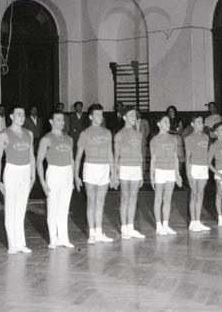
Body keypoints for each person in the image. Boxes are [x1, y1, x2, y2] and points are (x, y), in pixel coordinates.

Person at [74, 103, 116, 244]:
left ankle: (99, 232)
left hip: (104, 168)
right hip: (90, 168)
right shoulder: (84, 134)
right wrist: (76, 176)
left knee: (101, 202)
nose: (100, 117)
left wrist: (113, 173)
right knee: (91, 201)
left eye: (101, 114)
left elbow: (110, 154)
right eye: (97, 114)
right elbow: (78, 157)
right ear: (91, 117)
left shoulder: (107, 133)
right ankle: (91, 233)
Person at [0, 106, 35, 254]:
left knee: (21, 208)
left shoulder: (29, 133)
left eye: (23, 114)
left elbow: (31, 156)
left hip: (25, 171)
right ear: (11, 116)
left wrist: (33, 176)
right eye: (18, 114)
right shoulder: (4, 135)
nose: (22, 117)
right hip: (12, 171)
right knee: (11, 208)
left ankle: (21, 243)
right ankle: (12, 244)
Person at [36, 110, 74, 249]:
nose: (61, 122)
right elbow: (39, 161)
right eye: (58, 119)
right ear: (51, 122)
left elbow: (71, 160)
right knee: (53, 207)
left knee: (64, 208)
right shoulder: (46, 139)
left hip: (67, 173)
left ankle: (64, 238)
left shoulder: (69, 139)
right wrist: (42, 182)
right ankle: (53, 239)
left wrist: (72, 178)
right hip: (54, 173)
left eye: (63, 119)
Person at [114, 106, 145, 239]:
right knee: (125, 197)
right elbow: (116, 156)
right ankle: (124, 228)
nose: (134, 117)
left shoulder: (139, 134)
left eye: (135, 115)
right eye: (131, 115)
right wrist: (115, 173)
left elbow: (140, 154)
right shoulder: (119, 135)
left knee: (134, 197)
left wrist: (141, 173)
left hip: (136, 168)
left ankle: (131, 227)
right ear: (124, 117)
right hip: (124, 167)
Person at [150, 115, 182, 235]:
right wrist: (152, 176)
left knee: (168, 199)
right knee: (158, 198)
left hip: (171, 171)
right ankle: (159, 226)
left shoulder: (173, 139)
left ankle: (166, 225)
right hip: (160, 171)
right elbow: (153, 159)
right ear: (159, 124)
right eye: (165, 122)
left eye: (168, 122)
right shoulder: (154, 140)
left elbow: (175, 157)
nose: (168, 124)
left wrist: (177, 173)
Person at [184, 115, 210, 232]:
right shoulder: (189, 138)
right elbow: (187, 157)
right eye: (198, 122)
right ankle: (192, 222)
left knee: (201, 194)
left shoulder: (206, 137)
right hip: (194, 167)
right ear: (192, 124)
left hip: (204, 168)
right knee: (194, 194)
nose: (201, 124)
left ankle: (198, 221)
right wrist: (188, 173)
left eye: (202, 122)